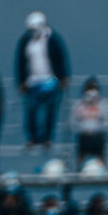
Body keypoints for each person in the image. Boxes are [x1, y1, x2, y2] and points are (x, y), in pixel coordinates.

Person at [15, 11, 70, 149]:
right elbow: (20, 62)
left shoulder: (53, 39)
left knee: (50, 110)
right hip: (32, 82)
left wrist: (63, 77)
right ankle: (33, 138)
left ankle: (47, 138)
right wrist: (21, 81)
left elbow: (61, 58)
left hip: (50, 80)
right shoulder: (26, 41)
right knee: (31, 110)